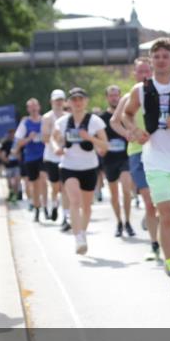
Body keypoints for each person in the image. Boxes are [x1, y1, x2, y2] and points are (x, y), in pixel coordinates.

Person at [120, 38, 170, 296]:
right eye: (156, 57)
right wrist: (134, 131)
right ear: (151, 61)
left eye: (165, 56)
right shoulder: (140, 90)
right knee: (163, 214)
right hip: (154, 160)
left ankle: (169, 251)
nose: (160, 61)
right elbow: (127, 114)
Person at [112, 57, 161, 262]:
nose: (144, 75)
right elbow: (115, 121)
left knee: (162, 200)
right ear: (135, 74)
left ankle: (153, 222)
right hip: (137, 152)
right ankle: (154, 244)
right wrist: (128, 133)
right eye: (140, 72)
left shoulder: (161, 93)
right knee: (149, 201)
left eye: (147, 71)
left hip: (161, 151)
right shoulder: (130, 96)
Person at [52, 87, 109, 255]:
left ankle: (82, 232)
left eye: (80, 99)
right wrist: (57, 148)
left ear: (86, 101)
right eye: (74, 99)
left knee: (87, 206)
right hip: (68, 166)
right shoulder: (62, 122)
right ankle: (78, 238)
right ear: (68, 103)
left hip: (89, 167)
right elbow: (52, 139)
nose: (77, 102)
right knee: (74, 201)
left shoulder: (95, 121)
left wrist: (89, 138)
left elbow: (105, 145)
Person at [99, 85, 135, 237]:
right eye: (111, 95)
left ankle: (128, 222)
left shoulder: (125, 115)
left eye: (116, 95)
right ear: (107, 98)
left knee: (126, 190)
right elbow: (98, 139)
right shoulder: (101, 118)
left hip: (125, 157)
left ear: (120, 96)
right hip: (109, 159)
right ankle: (119, 222)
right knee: (114, 194)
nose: (114, 98)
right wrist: (100, 148)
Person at [41, 90, 70, 231]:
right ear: (51, 102)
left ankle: (66, 217)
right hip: (51, 157)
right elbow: (45, 138)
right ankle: (54, 205)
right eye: (56, 100)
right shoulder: (47, 117)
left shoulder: (68, 117)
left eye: (61, 100)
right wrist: (56, 137)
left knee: (65, 187)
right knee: (55, 187)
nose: (59, 102)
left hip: (66, 156)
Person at [14, 98, 47, 221]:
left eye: (35, 106)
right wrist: (29, 138)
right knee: (34, 184)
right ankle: (37, 208)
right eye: (31, 107)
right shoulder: (25, 123)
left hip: (44, 156)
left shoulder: (45, 120)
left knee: (43, 178)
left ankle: (45, 206)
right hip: (30, 157)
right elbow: (18, 142)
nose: (33, 109)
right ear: (28, 109)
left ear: (39, 107)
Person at [0, 128, 22, 203]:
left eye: (14, 133)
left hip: (16, 164)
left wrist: (18, 157)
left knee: (17, 181)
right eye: (11, 134)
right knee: (9, 181)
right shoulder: (5, 142)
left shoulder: (17, 142)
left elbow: (21, 153)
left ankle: (16, 195)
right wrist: (4, 159)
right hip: (8, 165)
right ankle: (11, 193)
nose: (12, 135)